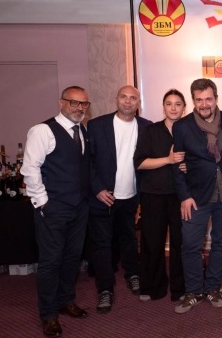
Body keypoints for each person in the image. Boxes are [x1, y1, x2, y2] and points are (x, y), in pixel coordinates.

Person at [21, 86, 91, 337]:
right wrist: (43, 203)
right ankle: (48, 314)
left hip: (79, 207)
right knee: (51, 262)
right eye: (74, 103)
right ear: (61, 103)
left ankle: (65, 300)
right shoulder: (43, 130)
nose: (79, 108)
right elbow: (30, 169)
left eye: (84, 104)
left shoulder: (82, 131)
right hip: (54, 208)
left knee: (72, 257)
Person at [172, 79, 222, 314]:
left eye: (208, 99)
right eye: (199, 100)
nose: (204, 104)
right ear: (193, 101)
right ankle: (193, 291)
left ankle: (213, 288)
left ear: (216, 99)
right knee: (190, 246)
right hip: (196, 197)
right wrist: (184, 196)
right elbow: (177, 164)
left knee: (221, 244)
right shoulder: (182, 127)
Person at [88, 85, 152, 314]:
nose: (127, 101)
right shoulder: (96, 125)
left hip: (131, 196)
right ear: (116, 100)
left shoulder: (147, 127)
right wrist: (97, 189)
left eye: (132, 98)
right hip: (103, 197)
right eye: (123, 97)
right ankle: (105, 289)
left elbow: (149, 163)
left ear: (138, 102)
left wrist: (143, 197)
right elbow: (87, 162)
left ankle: (133, 275)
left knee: (129, 239)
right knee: (102, 245)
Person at [133, 89, 186, 302]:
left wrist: (190, 166)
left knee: (181, 243)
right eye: (169, 104)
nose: (173, 108)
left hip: (182, 196)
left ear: (184, 108)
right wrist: (167, 160)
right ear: (163, 107)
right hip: (153, 194)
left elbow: (200, 161)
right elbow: (139, 163)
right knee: (152, 242)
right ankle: (152, 287)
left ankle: (180, 289)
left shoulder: (191, 131)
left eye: (178, 104)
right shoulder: (150, 131)